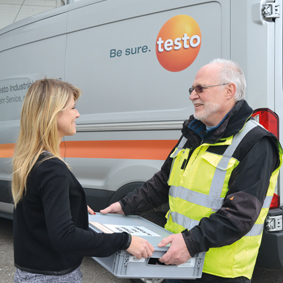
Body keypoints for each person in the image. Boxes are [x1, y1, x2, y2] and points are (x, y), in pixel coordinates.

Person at [101, 59, 282, 283]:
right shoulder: (193, 133)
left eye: (200, 89)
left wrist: (191, 242)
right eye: (191, 89)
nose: (192, 96)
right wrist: (123, 206)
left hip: (218, 273)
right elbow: (162, 182)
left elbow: (239, 215)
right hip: (178, 259)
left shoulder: (256, 142)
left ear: (229, 91)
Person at [12, 78, 154, 283]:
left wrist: (71, 205)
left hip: (28, 273)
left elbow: (37, 211)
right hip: (52, 277)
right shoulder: (53, 168)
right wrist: (125, 241)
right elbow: (64, 236)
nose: (77, 114)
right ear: (52, 113)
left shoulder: (30, 160)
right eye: (73, 108)